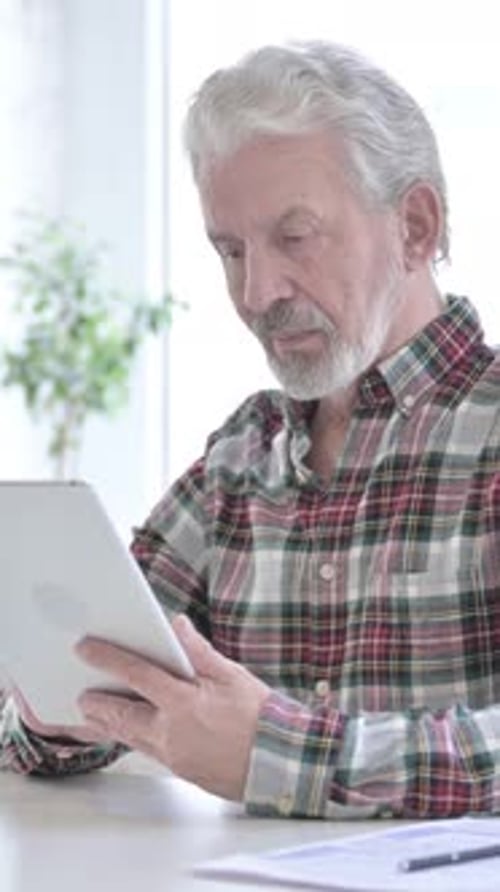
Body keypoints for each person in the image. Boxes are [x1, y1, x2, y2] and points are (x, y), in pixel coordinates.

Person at [2, 40, 500, 820]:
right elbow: (74, 693)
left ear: (414, 225)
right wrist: (57, 711)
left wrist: (274, 755)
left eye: (295, 238)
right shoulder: (240, 459)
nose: (257, 291)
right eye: (230, 250)